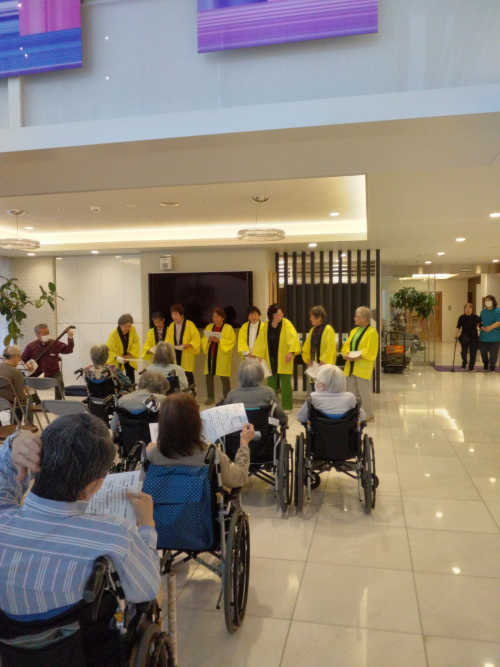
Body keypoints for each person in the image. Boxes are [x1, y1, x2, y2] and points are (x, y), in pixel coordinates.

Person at [0, 415, 160, 624]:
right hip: (76, 640)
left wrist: (14, 441)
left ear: (33, 461)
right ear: (94, 486)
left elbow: (4, 475)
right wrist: (147, 525)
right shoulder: (116, 534)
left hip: (8, 639)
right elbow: (148, 588)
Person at [146, 392, 253, 488]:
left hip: (159, 504)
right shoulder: (210, 455)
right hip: (202, 504)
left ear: (163, 423)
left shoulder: (152, 455)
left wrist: (146, 452)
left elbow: (139, 483)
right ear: (196, 423)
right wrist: (244, 444)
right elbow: (239, 478)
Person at [253, 304, 301, 413]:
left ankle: (286, 406)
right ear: (272, 315)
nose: (280, 316)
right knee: (271, 383)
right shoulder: (266, 326)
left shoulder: (286, 323)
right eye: (277, 314)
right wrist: (259, 354)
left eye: (281, 314)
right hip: (270, 358)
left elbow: (293, 338)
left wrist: (291, 352)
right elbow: (261, 341)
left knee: (285, 382)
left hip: (284, 357)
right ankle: (272, 406)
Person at [341, 306, 379, 422]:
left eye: (356, 316)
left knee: (364, 392)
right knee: (350, 391)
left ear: (364, 318)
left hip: (362, 367)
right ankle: (352, 413)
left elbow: (371, 351)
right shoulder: (354, 331)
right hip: (351, 366)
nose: (354, 318)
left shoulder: (372, 332)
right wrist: (346, 354)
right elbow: (346, 346)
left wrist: (357, 357)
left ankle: (368, 414)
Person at [225, 359, 288, 426]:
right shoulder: (268, 392)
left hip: (240, 432)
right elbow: (282, 418)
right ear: (260, 375)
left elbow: (225, 420)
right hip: (264, 431)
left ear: (239, 375)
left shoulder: (232, 395)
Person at [297, 364, 366, 424]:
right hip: (345, 432)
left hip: (319, 432)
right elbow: (362, 417)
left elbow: (301, 417)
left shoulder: (313, 397)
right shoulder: (350, 397)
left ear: (322, 384)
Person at [21, 323, 74, 400]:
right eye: (44, 333)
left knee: (59, 382)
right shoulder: (31, 346)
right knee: (25, 381)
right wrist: (26, 366)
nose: (47, 335)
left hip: (53, 373)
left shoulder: (55, 343)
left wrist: (70, 338)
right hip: (36, 373)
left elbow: (68, 350)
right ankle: (36, 401)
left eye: (48, 332)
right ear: (37, 335)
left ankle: (57, 402)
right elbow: (22, 360)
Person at [201, 307, 236, 405]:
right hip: (211, 355)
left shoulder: (228, 328)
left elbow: (232, 341)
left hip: (222, 357)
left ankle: (227, 398)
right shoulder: (209, 327)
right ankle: (210, 397)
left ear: (223, 317)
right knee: (208, 376)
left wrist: (220, 341)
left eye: (217, 317)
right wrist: (208, 340)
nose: (215, 319)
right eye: (214, 317)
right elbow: (203, 339)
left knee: (224, 378)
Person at [301, 305, 337, 393]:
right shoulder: (312, 330)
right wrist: (308, 360)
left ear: (319, 318)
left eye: (312, 316)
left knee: (325, 389)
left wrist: (323, 361)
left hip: (324, 366)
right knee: (315, 388)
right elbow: (306, 347)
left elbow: (330, 348)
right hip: (314, 366)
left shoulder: (328, 329)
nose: (310, 319)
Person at [166, 304, 201, 387]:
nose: (174, 317)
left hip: (186, 353)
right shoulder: (171, 326)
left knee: (188, 375)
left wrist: (188, 345)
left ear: (182, 315)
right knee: (175, 375)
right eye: (172, 314)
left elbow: (196, 339)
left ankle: (191, 393)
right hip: (175, 353)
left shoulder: (190, 324)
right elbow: (167, 339)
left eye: (176, 314)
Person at [106, 314, 141, 383]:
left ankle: (132, 388)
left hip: (129, 357)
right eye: (125, 326)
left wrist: (129, 355)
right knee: (118, 379)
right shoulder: (113, 334)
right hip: (118, 359)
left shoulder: (133, 329)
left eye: (129, 326)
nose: (128, 328)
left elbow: (136, 343)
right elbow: (109, 349)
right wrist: (117, 357)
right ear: (120, 325)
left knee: (131, 378)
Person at [0, 345, 28, 421]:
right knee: (26, 400)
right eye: (20, 357)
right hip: (9, 402)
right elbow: (20, 397)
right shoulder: (16, 372)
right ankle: (17, 425)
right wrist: (26, 388)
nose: (20, 359)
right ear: (15, 356)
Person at [454, 303, 482, 371]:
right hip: (464, 336)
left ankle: (471, 367)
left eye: (469, 308)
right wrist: (456, 334)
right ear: (464, 309)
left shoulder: (475, 317)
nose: (468, 310)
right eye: (466, 308)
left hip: (474, 337)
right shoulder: (461, 317)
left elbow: (480, 325)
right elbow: (458, 326)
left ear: (472, 309)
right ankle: (464, 363)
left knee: (473, 353)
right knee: (464, 352)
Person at [479, 295, 500, 372]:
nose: (487, 302)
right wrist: (482, 327)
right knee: (483, 352)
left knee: (493, 353)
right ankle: (485, 363)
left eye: (489, 300)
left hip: (495, 336)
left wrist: (490, 327)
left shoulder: (498, 311)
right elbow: (480, 322)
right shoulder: (483, 311)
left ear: (493, 301)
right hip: (484, 336)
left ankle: (492, 367)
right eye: (486, 300)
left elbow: (498, 322)